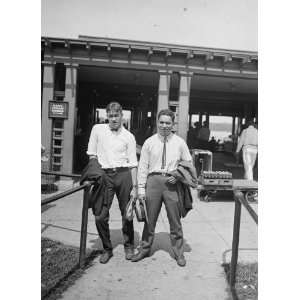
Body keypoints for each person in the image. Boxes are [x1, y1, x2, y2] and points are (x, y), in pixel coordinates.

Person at [131, 109, 193, 267]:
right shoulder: (149, 142)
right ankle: (144, 249)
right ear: (157, 122)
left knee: (175, 220)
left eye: (168, 123)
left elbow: (188, 163)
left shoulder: (180, 142)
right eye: (162, 122)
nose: (164, 125)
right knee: (149, 219)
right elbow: (143, 167)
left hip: (171, 184)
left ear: (173, 124)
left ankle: (179, 253)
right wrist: (141, 190)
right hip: (153, 182)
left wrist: (179, 174)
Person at [87, 102, 138, 264]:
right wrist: (96, 174)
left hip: (123, 175)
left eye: (117, 116)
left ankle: (129, 245)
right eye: (111, 116)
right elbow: (92, 155)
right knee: (100, 216)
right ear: (106, 116)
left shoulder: (129, 136)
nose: (114, 119)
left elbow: (133, 164)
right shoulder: (97, 130)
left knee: (127, 213)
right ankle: (107, 248)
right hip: (104, 175)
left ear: (122, 116)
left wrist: (135, 187)